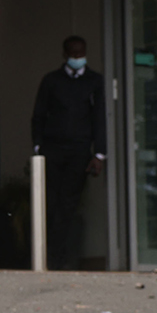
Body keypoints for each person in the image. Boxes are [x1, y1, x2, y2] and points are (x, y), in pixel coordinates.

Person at [29, 35, 106, 271]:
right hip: (53, 150)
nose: (77, 58)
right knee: (50, 203)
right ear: (65, 55)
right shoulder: (52, 81)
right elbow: (39, 115)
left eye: (81, 54)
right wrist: (38, 147)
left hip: (79, 150)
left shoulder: (95, 81)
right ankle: (47, 256)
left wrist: (99, 153)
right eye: (73, 55)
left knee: (68, 205)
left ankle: (58, 257)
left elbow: (100, 118)